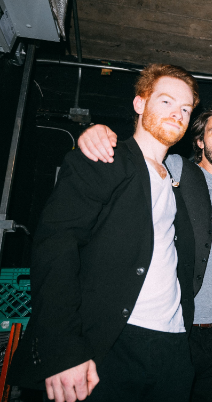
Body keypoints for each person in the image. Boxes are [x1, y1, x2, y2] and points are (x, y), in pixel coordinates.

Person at [8, 64, 201, 402]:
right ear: (139, 103)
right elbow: (55, 247)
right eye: (166, 102)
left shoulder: (174, 185)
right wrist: (63, 348)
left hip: (172, 347)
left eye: (185, 109)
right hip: (112, 342)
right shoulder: (103, 158)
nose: (177, 114)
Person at [76, 104, 212, 402]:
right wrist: (97, 133)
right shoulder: (177, 168)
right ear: (199, 141)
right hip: (175, 326)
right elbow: (137, 154)